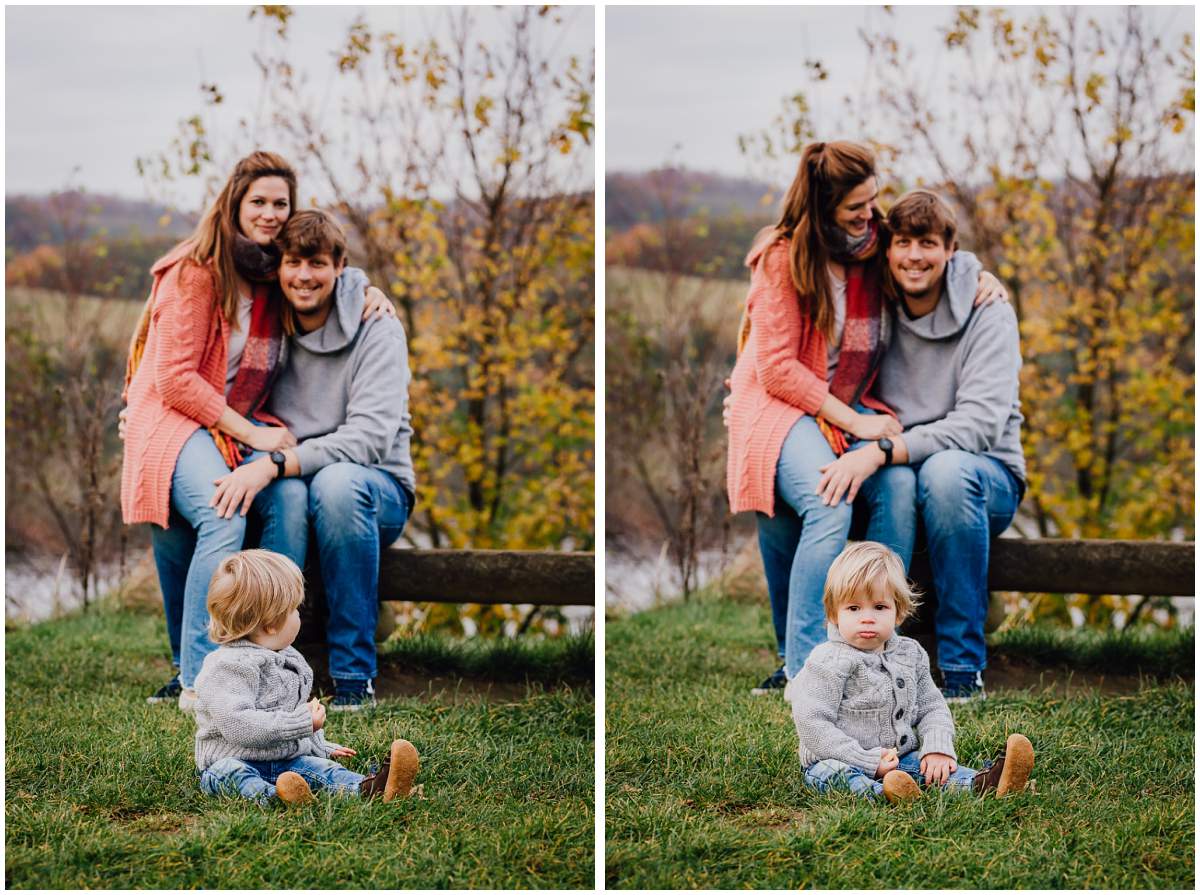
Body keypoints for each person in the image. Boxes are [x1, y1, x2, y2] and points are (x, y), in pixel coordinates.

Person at [725, 141, 1006, 694]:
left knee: (897, 482)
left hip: (848, 403)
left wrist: (976, 273)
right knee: (828, 497)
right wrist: (858, 430)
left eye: (873, 201)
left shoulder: (872, 247)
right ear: (824, 206)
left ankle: (882, 652)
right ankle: (806, 671)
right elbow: (778, 369)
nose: (869, 215)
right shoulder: (783, 257)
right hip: (783, 404)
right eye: (856, 207)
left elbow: (931, 247)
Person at [121, 152, 394, 711]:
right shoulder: (197, 270)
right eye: (259, 202)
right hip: (178, 419)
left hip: (236, 429)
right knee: (222, 510)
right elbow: (172, 379)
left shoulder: (271, 277)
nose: (270, 213)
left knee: (289, 497)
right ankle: (198, 679)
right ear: (234, 204)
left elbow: (329, 268)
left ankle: (266, 663)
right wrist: (260, 438)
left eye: (280, 204)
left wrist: (367, 288)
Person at [813, 190, 1025, 702]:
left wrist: (882, 451)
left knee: (945, 472)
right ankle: (867, 659)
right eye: (903, 241)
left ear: (950, 249)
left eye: (928, 243)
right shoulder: (876, 307)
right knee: (902, 480)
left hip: (983, 475)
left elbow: (977, 428)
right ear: (887, 249)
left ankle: (960, 667)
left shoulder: (987, 309)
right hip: (900, 472)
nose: (914, 255)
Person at [204, 210, 415, 711]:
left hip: (373, 488)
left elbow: (368, 441)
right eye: (294, 262)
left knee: (336, 485)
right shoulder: (268, 325)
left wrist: (274, 464)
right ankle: (270, 670)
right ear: (279, 268)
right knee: (294, 492)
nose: (304, 275)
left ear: (340, 266)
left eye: (318, 263)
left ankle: (352, 677)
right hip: (295, 482)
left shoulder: (376, 326)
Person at [787, 542, 1034, 803]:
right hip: (835, 758)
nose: (867, 618)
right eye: (854, 608)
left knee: (929, 768)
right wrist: (869, 761)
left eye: (879, 607)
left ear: (899, 613)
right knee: (834, 775)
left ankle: (981, 783)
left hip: (898, 758)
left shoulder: (910, 653)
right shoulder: (827, 660)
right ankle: (882, 795)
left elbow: (931, 707)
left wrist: (937, 749)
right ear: (834, 614)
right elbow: (812, 725)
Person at [194, 549, 419, 806]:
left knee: (323, 769)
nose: (299, 615)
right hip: (232, 759)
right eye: (294, 609)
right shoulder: (228, 666)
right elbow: (239, 725)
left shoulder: (289, 659)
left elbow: (289, 711)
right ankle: (275, 799)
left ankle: (370, 788)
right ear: (270, 623)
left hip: (286, 760)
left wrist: (320, 746)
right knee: (231, 776)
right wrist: (303, 723)